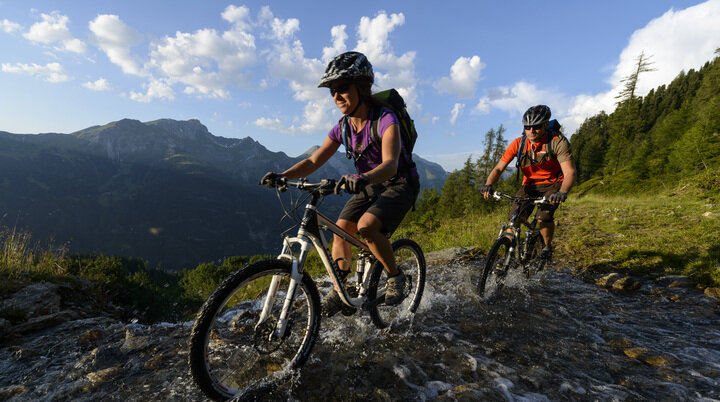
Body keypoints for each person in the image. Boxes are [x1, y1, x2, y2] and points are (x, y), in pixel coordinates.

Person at [260, 51, 420, 316]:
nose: (336, 96)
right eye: (332, 91)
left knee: (367, 227)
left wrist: (363, 177)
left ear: (362, 86)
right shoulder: (342, 128)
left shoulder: (385, 119)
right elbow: (313, 161)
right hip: (368, 184)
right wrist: (283, 176)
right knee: (341, 228)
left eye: (343, 88)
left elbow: (391, 164)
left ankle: (395, 276)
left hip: (399, 183)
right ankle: (341, 288)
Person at [480, 105, 576, 260]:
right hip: (530, 184)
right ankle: (507, 258)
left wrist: (562, 192)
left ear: (545, 125)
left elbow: (570, 172)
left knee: (544, 216)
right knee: (514, 219)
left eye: (537, 126)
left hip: (554, 184)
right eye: (527, 127)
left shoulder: (558, 142)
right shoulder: (518, 144)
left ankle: (546, 247)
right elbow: (498, 168)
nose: (532, 130)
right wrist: (489, 184)